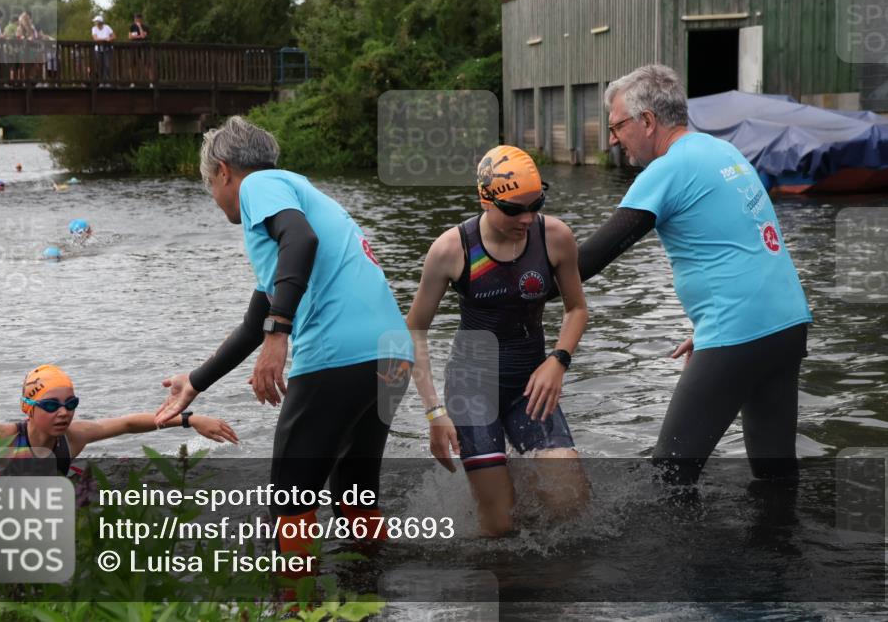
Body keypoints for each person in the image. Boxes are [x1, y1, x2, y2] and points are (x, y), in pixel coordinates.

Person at [154, 115, 414, 565]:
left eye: (211, 186)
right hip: (391, 355)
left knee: (291, 500)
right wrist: (195, 382)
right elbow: (256, 319)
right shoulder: (302, 197)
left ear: (223, 171)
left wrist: (280, 333)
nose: (216, 200)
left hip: (339, 355)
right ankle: (372, 589)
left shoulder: (261, 187)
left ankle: (294, 603)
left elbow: (301, 240)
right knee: (354, 489)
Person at [577, 64, 812, 485]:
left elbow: (588, 262)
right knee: (774, 472)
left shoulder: (667, 170)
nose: (612, 139)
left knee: (670, 477)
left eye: (617, 126)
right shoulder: (722, 151)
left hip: (738, 332)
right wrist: (709, 324)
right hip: (785, 324)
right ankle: (781, 548)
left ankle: (685, 555)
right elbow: (745, 242)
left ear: (647, 121)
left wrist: (515, 281)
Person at [406, 145, 590, 536]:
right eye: (514, 210)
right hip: (472, 389)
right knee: (501, 524)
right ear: (485, 200)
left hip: (530, 385)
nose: (526, 218)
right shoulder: (451, 250)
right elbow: (414, 328)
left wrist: (558, 359)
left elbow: (577, 309)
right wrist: (434, 413)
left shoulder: (555, 237)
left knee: (570, 500)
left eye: (535, 204)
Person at [0, 364, 238, 474]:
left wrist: (189, 419)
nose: (63, 412)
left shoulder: (73, 438)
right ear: (28, 408)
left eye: (70, 404)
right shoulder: (1, 436)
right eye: (51, 405)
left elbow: (125, 423)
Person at [127, 12, 153, 86]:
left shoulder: (145, 27)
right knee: (132, 64)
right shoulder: (132, 26)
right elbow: (130, 37)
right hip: (133, 48)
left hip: (143, 48)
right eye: (135, 18)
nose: (136, 20)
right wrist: (138, 36)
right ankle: (132, 82)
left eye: (138, 18)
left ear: (141, 19)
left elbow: (143, 36)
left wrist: (139, 27)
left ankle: (150, 82)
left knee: (147, 64)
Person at [91, 15, 116, 85]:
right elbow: (95, 39)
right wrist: (105, 39)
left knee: (107, 65)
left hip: (107, 49)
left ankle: (107, 81)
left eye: (96, 22)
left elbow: (114, 36)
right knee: (100, 65)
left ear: (100, 22)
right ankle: (101, 81)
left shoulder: (107, 27)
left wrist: (109, 39)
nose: (95, 23)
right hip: (98, 50)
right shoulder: (94, 29)